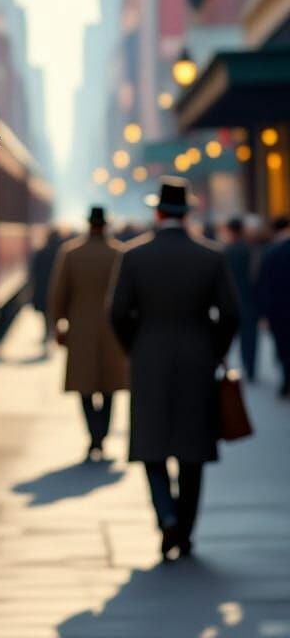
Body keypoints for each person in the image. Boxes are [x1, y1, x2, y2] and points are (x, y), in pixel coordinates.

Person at [109, 177, 239, 561]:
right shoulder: (211, 257)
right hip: (198, 360)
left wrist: (135, 346)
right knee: (192, 452)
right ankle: (184, 530)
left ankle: (165, 514)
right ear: (187, 213)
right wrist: (214, 349)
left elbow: (117, 312)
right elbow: (231, 314)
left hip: (148, 358)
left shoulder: (133, 256)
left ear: (158, 211)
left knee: (151, 446)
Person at [48, 206, 128, 460]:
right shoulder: (119, 254)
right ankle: (101, 437)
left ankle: (93, 436)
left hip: (81, 329)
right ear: (105, 225)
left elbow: (59, 294)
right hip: (112, 331)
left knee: (84, 387)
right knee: (109, 387)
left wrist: (58, 325)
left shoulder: (71, 253)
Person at [257, 215, 290, 397]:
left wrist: (263, 313)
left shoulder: (271, 253)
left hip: (278, 309)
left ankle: (286, 378)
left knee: (283, 346)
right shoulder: (271, 252)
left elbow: (263, 285)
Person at [223, 217, 259, 382]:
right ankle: (250, 368)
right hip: (249, 299)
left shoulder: (226, 251)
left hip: (231, 299)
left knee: (228, 336)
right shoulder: (249, 250)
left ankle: (227, 367)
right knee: (249, 337)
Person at [27, 227, 63, 346]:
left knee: (45, 312)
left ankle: (48, 332)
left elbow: (34, 272)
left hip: (43, 286)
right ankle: (51, 332)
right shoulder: (61, 252)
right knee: (53, 311)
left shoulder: (41, 252)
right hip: (56, 285)